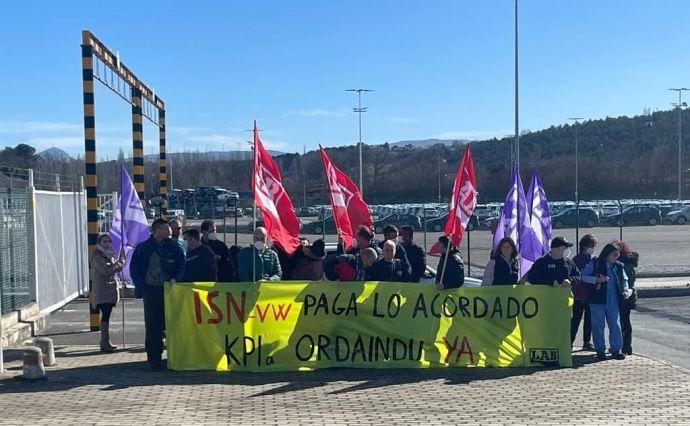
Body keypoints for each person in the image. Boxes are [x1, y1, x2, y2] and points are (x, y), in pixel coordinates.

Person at [130, 219, 186, 370]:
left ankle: (174, 358)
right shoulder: (143, 248)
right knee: (153, 326)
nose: (169, 231)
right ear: (157, 230)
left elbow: (181, 263)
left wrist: (176, 278)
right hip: (151, 290)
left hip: (169, 289)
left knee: (172, 324)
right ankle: (154, 359)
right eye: (166, 228)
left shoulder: (174, 247)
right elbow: (134, 269)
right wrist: (140, 286)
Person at [581, 243, 633, 360]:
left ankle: (616, 350)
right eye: (614, 254)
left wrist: (625, 290)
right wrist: (596, 279)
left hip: (613, 300)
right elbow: (583, 276)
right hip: (597, 300)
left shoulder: (619, 266)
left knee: (615, 325)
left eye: (618, 255)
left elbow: (624, 280)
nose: (616, 257)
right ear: (607, 254)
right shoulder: (595, 263)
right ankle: (600, 350)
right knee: (598, 326)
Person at [89, 234, 126, 353]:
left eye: (109, 241)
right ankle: (104, 341)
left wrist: (121, 261)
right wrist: (119, 264)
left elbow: (116, 268)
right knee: (105, 315)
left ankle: (106, 341)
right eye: (105, 241)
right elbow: (105, 270)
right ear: (99, 243)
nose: (107, 244)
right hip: (102, 290)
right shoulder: (97, 256)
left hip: (110, 290)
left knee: (107, 315)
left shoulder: (110, 254)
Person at [612, 240, 639, 355]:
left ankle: (625, 346)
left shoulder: (622, 265)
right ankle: (626, 346)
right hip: (628, 295)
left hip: (624, 295)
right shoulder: (630, 264)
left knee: (623, 322)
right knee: (625, 321)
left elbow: (627, 282)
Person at [571, 234, 597, 351]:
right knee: (576, 318)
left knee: (589, 318)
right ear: (584, 246)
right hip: (579, 293)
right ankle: (569, 341)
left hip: (590, 293)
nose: (592, 247)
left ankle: (587, 341)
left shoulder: (593, 259)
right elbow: (579, 277)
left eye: (594, 245)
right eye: (590, 245)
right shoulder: (577, 259)